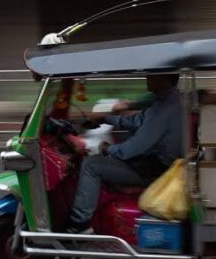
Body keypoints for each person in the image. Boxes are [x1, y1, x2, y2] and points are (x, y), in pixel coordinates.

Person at [68, 73, 183, 232]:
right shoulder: (165, 101)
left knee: (91, 164)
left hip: (154, 168)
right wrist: (106, 119)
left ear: (164, 78)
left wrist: (109, 149)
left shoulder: (166, 107)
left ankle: (80, 224)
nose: (147, 77)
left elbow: (137, 146)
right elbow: (137, 121)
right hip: (152, 163)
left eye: (152, 74)